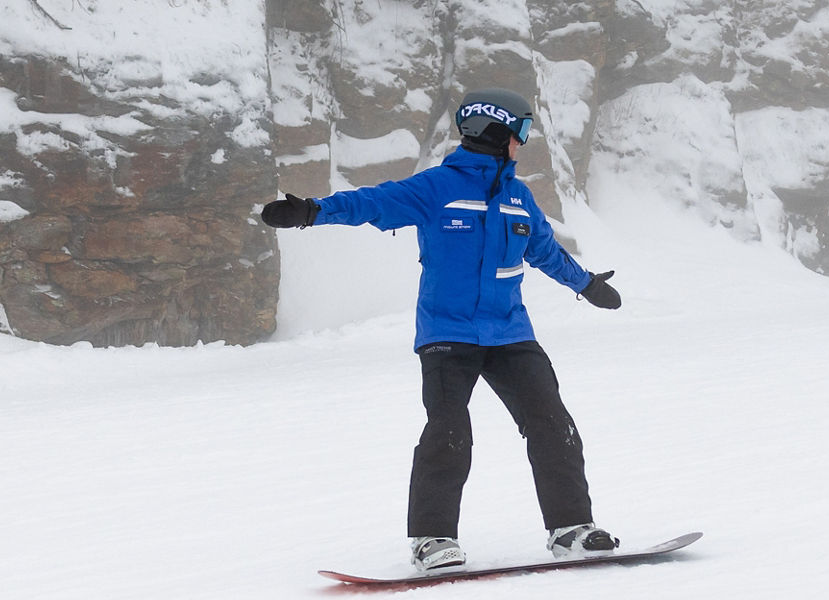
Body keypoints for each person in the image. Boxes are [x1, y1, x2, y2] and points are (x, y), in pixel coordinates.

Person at [258, 88, 626, 573]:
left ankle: (572, 529)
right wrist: (312, 212)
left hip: (510, 333)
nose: (524, 142)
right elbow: (372, 202)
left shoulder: (519, 197)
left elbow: (545, 251)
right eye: (521, 132)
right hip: (448, 335)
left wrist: (586, 284)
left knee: (553, 424)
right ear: (497, 133)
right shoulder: (436, 188)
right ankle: (432, 539)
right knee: (449, 431)